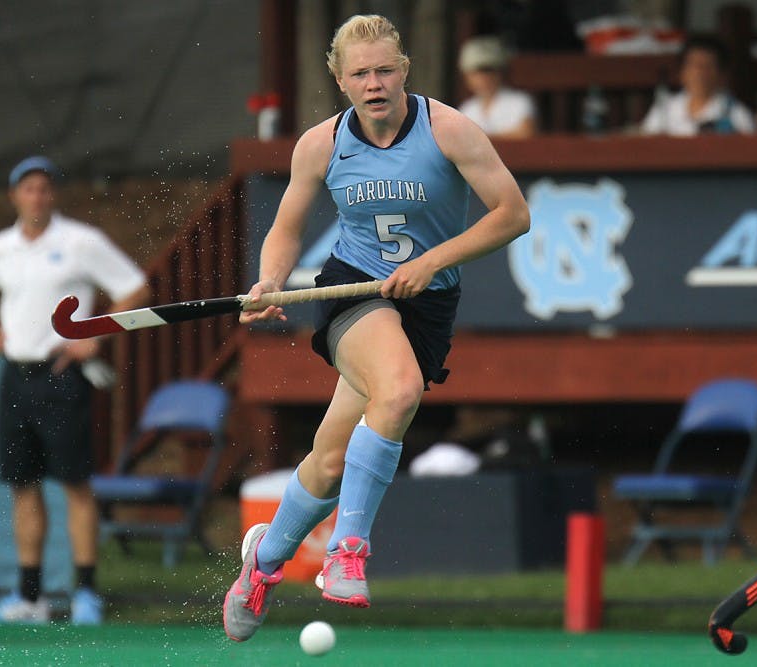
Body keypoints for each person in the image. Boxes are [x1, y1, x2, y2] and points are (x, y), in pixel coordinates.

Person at [222, 14, 530, 642]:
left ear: (404, 69)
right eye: (360, 73)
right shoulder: (321, 143)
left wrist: (432, 261)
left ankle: (263, 563)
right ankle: (347, 549)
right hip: (354, 291)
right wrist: (271, 279)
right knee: (397, 391)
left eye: (385, 69)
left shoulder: (450, 130)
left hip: (427, 303)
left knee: (331, 459)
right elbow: (284, 228)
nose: (374, 83)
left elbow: (513, 214)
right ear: (340, 79)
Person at [0, 156, 149, 624]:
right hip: (16, 376)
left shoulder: (79, 242)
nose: (37, 196)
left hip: (62, 374)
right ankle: (30, 598)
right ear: (14, 195)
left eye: (45, 188)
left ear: (53, 195)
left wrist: (94, 335)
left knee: (75, 483)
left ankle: (86, 593)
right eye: (28, 188)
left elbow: (134, 289)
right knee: (22, 487)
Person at [640, 36, 756, 136]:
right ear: (682, 73)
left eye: (706, 67)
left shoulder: (737, 115)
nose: (699, 73)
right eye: (693, 65)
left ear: (722, 75)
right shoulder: (664, 109)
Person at [456, 35, 537, 139]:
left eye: (489, 70)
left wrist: (480, 138)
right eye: (477, 72)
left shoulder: (520, 101)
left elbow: (526, 133)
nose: (484, 77)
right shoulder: (467, 108)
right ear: (467, 76)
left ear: (501, 72)